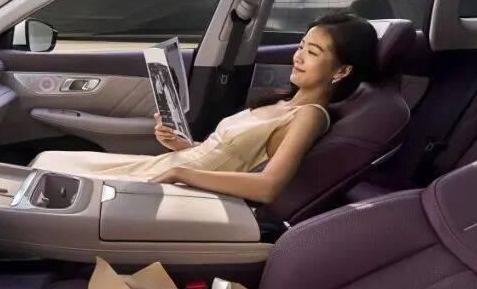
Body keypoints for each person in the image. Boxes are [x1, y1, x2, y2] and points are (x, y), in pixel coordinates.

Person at [29, 12, 379, 203]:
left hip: (183, 188)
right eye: (301, 46)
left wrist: (183, 173)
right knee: (50, 159)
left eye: (312, 52)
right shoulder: (283, 102)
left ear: (342, 71)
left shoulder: (309, 116)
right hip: (171, 166)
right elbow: (229, 155)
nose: (298, 57)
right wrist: (183, 145)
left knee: (50, 175)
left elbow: (268, 186)